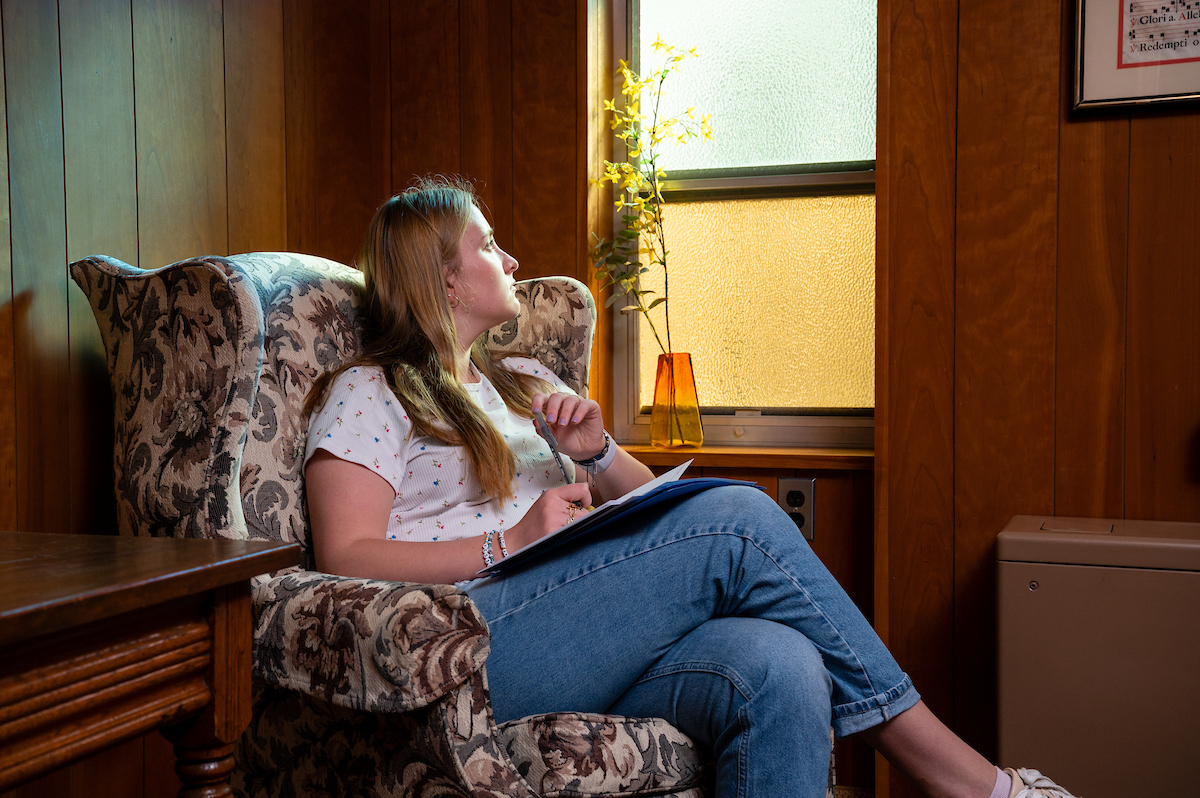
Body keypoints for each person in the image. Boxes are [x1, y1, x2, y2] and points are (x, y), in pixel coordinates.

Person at [302, 177, 1081, 798]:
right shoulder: (374, 391)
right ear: (442, 274)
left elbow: (642, 502)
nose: (510, 261)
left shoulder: (525, 383)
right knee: (739, 518)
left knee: (782, 664)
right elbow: (344, 552)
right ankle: (966, 780)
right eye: (490, 245)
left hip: (585, 621)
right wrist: (509, 540)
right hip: (472, 644)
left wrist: (598, 451)